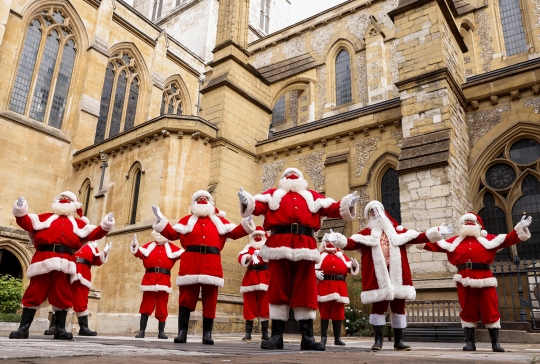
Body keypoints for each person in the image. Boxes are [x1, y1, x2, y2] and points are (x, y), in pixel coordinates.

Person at [238, 167, 358, 351]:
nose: (291, 176)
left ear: (301, 179)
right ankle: (277, 336)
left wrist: (348, 202)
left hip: (305, 245)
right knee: (278, 287)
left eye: (294, 175)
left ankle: (307, 337)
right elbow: (257, 206)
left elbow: (333, 208)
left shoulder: (313, 196)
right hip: (279, 244)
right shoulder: (273, 194)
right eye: (288, 174)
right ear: (283, 179)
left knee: (306, 289)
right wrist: (248, 200)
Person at [331, 200, 451, 351]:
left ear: (384, 212)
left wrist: (437, 231)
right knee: (378, 307)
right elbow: (349, 244)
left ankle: (398, 342)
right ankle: (378, 341)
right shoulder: (365, 234)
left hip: (398, 275)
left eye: (377, 210)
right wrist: (337, 239)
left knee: (399, 307)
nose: (376, 214)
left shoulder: (398, 231)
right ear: (369, 217)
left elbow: (418, 237)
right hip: (378, 277)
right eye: (372, 212)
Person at [152, 190, 255, 345]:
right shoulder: (187, 220)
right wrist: (161, 221)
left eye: (205, 198)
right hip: (190, 262)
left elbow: (235, 232)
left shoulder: (219, 222)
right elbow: (172, 234)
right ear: (194, 203)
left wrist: (247, 217)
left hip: (211, 262)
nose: (202, 200)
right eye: (199, 198)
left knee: (210, 298)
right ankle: (182, 333)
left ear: (211, 203)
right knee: (186, 298)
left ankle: (207, 334)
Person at [419, 212, 532, 352]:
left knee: (490, 308)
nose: (468, 223)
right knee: (467, 309)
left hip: (485, 278)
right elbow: (429, 245)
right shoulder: (453, 241)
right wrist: (433, 233)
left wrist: (520, 227)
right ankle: (470, 342)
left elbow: (509, 238)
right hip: (464, 280)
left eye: (471, 221)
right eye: (465, 221)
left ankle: (495, 343)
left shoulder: (490, 239)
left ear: (479, 225)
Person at [9, 192, 114, 340]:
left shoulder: (79, 224)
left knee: (62, 293)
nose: (65, 201)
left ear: (74, 205)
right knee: (35, 291)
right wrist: (20, 209)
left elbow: (95, 233)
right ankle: (23, 328)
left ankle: (60, 329)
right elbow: (25, 222)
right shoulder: (44, 217)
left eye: (69, 200)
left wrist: (106, 225)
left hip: (65, 261)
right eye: (62, 198)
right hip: (44, 258)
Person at [131, 230, 184, 339]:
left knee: (162, 307)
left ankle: (161, 332)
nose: (160, 235)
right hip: (149, 280)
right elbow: (137, 253)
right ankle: (141, 331)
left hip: (164, 281)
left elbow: (183, 254)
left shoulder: (172, 248)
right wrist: (135, 245)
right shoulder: (148, 246)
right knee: (146, 306)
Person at [315, 230, 359, 346]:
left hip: (340, 287)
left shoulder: (342, 256)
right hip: (325, 285)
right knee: (324, 312)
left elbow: (350, 269)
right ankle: (323, 338)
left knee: (338, 312)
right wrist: (315, 273)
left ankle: (337, 338)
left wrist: (354, 265)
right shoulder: (319, 255)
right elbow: (310, 268)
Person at [70, 240, 112, 336]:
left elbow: (96, 261)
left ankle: (83, 327)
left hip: (84, 273)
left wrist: (104, 253)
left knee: (82, 301)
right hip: (70, 270)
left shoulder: (92, 245)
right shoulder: (73, 239)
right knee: (62, 298)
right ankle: (57, 326)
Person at [237, 226, 270, 342]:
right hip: (250, 277)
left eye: (259, 235)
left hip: (264, 278)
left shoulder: (268, 246)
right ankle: (248, 333)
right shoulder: (248, 247)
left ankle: (265, 333)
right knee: (249, 305)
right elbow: (240, 257)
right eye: (255, 235)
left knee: (264, 305)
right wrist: (249, 256)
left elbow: (273, 258)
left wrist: (262, 254)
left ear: (263, 236)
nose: (257, 237)